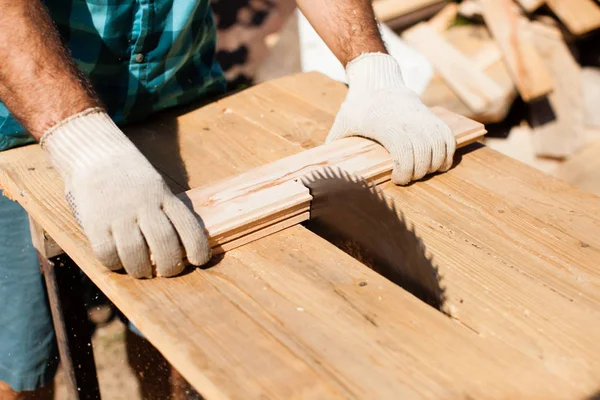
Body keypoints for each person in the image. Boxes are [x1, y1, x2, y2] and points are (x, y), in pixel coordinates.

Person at [0, 0, 456, 398]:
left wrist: (372, 72)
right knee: (19, 367)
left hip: (180, 100)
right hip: (23, 129)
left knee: (184, 342)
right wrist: (84, 144)